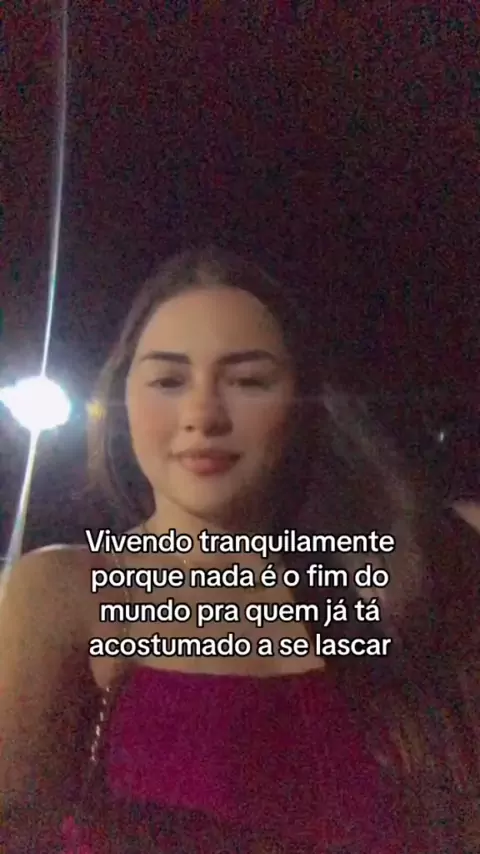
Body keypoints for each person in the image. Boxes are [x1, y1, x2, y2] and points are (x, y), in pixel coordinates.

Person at [0, 247, 478, 853]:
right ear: (122, 401)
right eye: (168, 380)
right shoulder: (70, 588)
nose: (202, 415)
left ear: (303, 406)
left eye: (248, 381)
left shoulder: (390, 579)